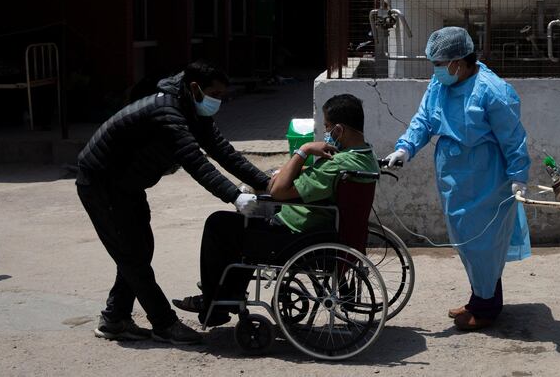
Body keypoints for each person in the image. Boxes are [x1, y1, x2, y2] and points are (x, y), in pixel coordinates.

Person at [76, 60, 270, 345]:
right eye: (215, 94)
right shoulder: (167, 112)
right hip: (102, 183)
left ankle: (115, 319)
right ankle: (164, 324)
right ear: (195, 88)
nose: (219, 101)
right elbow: (195, 161)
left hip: (126, 184)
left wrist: (264, 183)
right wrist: (236, 196)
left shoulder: (191, 108)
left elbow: (222, 150)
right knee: (132, 255)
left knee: (138, 248)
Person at [173, 93, 379, 326]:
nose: (327, 133)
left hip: (298, 237)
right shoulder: (364, 157)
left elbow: (278, 192)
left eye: (328, 127)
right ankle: (223, 292)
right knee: (244, 225)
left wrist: (304, 150)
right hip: (324, 231)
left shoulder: (337, 165)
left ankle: (214, 303)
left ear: (339, 130)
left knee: (219, 224)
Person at [384, 26, 531, 331]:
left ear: (459, 62)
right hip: (454, 179)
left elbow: (512, 136)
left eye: (440, 64)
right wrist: (405, 148)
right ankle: (479, 299)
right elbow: (423, 119)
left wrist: (518, 175)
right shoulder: (441, 85)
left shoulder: (491, 90)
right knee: (467, 243)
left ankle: (487, 309)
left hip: (486, 178)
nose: (436, 70)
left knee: (484, 244)